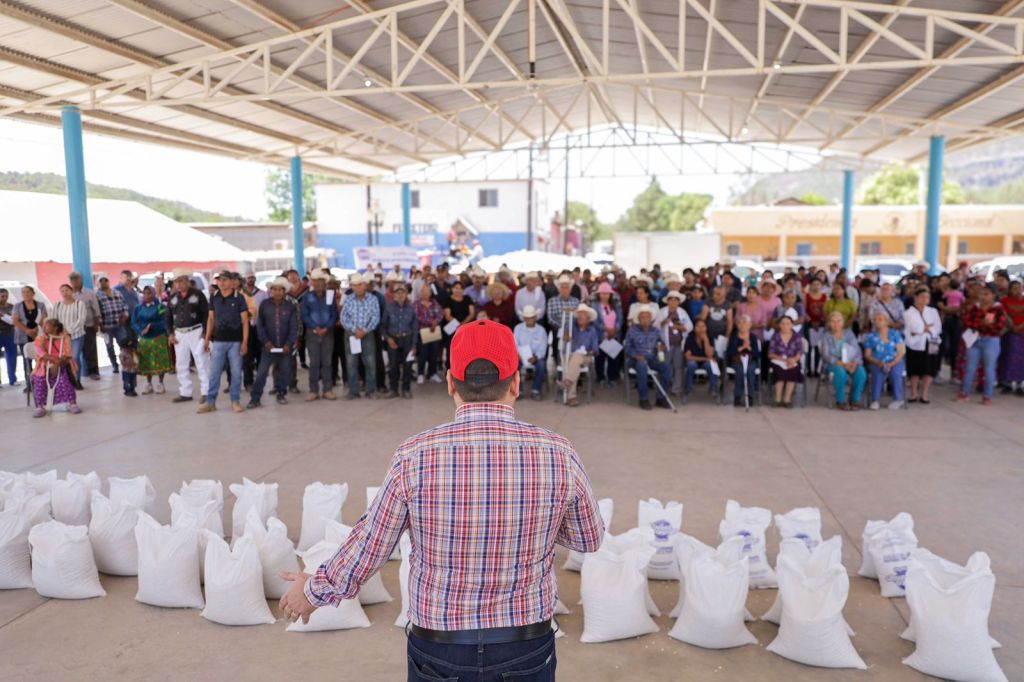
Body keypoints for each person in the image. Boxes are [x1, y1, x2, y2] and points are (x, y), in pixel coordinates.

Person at [279, 319, 603, 681]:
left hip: (441, 647)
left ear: (450, 383)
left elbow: (372, 544)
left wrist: (313, 591)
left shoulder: (415, 454)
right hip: (524, 643)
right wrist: (538, 519)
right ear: (516, 383)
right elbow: (588, 539)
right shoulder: (558, 452)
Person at [199, 271, 249, 414]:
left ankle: (235, 401)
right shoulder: (214, 297)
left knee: (236, 373)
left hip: (235, 341)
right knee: (214, 372)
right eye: (219, 280)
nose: (221, 283)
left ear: (232, 281)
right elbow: (210, 319)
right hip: (219, 340)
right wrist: (207, 339)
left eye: (225, 280)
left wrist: (245, 342)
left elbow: (245, 321)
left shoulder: (238, 298)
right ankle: (210, 402)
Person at [248, 277, 298, 409]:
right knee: (261, 372)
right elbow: (260, 326)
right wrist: (266, 342)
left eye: (280, 290)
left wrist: (289, 343)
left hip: (285, 346)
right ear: (271, 291)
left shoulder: (290, 306)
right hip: (268, 347)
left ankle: (281, 394)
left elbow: (294, 328)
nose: (277, 292)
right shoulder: (264, 305)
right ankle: (255, 398)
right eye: (274, 289)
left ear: (284, 291)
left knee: (285, 372)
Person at [166, 268, 210, 404]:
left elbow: (206, 315)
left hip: (196, 331)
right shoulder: (173, 298)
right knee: (181, 363)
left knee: (201, 362)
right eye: (176, 282)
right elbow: (167, 317)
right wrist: (170, 333)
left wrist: (205, 333)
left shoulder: (198, 295)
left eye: (180, 281)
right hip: (180, 333)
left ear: (187, 281)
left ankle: (206, 392)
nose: (178, 284)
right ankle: (185, 392)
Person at [958, 284, 1006, 405]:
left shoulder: (998, 309)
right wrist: (982, 324)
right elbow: (967, 321)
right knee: (970, 368)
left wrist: (983, 325)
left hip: (991, 340)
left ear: (993, 295)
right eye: (982, 294)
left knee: (989, 369)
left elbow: (999, 327)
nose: (983, 297)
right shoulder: (975, 308)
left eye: (986, 294)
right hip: (975, 340)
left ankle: (987, 396)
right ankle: (964, 393)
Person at [341, 273, 381, 400]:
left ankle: (371, 390)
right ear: (352, 287)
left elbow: (376, 317)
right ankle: (353, 391)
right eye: (354, 285)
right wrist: (354, 330)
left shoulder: (372, 299)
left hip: (367, 335)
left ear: (364, 286)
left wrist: (364, 330)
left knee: (370, 364)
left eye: (359, 285)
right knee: (351, 364)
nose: (357, 288)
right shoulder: (348, 299)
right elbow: (343, 318)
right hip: (351, 336)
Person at [301, 271, 339, 401]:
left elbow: (334, 315)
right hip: (312, 334)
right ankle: (313, 390)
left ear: (325, 283)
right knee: (314, 363)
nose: (317, 283)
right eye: (315, 281)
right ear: (312, 282)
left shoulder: (330, 296)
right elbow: (304, 315)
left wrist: (326, 328)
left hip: (328, 334)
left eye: (320, 281)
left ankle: (327, 390)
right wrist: (315, 327)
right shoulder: (307, 297)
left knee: (327, 362)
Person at [624, 304, 671, 410]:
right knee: (641, 366)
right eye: (642, 317)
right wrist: (636, 356)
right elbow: (627, 348)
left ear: (651, 319)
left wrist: (662, 347)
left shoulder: (655, 331)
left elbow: (661, 344)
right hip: (636, 359)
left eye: (647, 317)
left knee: (667, 368)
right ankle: (643, 399)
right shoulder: (632, 330)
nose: (645, 319)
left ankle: (661, 398)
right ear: (638, 319)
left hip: (652, 358)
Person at [31, 319, 81, 417]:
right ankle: (40, 406)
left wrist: (57, 364)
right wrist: (54, 360)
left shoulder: (65, 337)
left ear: (55, 328)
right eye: (44, 325)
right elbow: (40, 352)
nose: (44, 327)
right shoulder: (41, 338)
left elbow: (67, 353)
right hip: (45, 365)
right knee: (40, 381)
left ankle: (72, 403)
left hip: (62, 363)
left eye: (47, 325)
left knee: (63, 379)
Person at [819, 311, 866, 410]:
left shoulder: (849, 334)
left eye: (839, 321)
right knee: (840, 372)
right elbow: (826, 355)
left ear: (843, 322)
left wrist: (854, 363)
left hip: (850, 362)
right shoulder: (826, 336)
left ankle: (854, 400)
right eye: (833, 321)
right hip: (833, 363)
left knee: (861, 372)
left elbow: (857, 351)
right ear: (829, 323)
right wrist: (842, 364)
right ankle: (841, 400)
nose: (836, 324)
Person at [130, 286, 172, 395]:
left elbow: (165, 322)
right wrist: (141, 330)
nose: (147, 296)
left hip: (158, 338)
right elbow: (134, 322)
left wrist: (152, 326)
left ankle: (160, 383)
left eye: (149, 293)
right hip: (144, 339)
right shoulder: (138, 308)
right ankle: (148, 384)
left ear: (153, 294)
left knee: (159, 361)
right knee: (146, 361)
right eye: (145, 293)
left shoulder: (160, 307)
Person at [904, 287, 942, 404]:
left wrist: (923, 330)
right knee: (914, 368)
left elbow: (937, 327)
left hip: (931, 341)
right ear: (916, 298)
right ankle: (914, 392)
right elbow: (911, 329)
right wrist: (923, 329)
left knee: (929, 368)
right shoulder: (908, 313)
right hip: (915, 343)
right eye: (922, 297)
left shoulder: (933, 311)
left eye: (927, 297)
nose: (925, 299)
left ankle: (924, 393)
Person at [863, 311, 906, 410]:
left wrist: (892, 363)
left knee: (895, 373)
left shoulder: (895, 334)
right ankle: (875, 400)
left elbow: (901, 351)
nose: (877, 322)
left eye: (880, 320)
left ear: (887, 322)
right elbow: (867, 355)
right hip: (877, 362)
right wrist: (877, 362)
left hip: (895, 361)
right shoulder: (870, 336)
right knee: (877, 373)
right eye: (875, 320)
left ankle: (898, 399)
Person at [382, 284, 417, 399]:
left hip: (407, 339)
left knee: (407, 366)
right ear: (394, 295)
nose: (400, 295)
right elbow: (383, 326)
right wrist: (388, 338)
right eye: (397, 293)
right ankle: (393, 389)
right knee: (393, 366)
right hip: (393, 340)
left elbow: (415, 328)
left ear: (406, 294)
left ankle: (406, 389)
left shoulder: (411, 308)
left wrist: (414, 345)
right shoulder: (389, 307)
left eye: (402, 292)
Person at [560, 303, 598, 407]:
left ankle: (567, 381)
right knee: (574, 363)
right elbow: (564, 335)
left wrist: (589, 352)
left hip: (586, 357)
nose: (580, 316)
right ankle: (571, 397)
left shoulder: (592, 330)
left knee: (576, 357)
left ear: (589, 318)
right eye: (579, 314)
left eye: (583, 314)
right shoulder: (572, 326)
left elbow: (595, 349)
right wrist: (566, 335)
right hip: (571, 356)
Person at [656, 291, 693, 396]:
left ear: (678, 302)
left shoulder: (682, 312)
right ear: (667, 301)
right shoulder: (661, 312)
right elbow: (655, 327)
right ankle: (664, 388)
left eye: (675, 300)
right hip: (665, 344)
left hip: (678, 344)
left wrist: (680, 327)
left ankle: (676, 389)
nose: (673, 302)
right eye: (671, 299)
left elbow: (690, 326)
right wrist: (664, 322)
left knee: (678, 366)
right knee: (665, 366)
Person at [52, 283, 88, 388]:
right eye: (62, 291)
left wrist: (69, 330)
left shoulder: (79, 304)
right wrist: (59, 331)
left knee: (75, 357)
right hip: (62, 337)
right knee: (64, 359)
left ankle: (77, 380)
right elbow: (54, 320)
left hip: (76, 335)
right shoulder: (58, 305)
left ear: (71, 291)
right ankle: (68, 380)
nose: (65, 293)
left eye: (66, 290)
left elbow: (81, 319)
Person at [12, 285, 47, 390]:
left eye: (28, 292)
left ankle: (41, 381)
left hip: (38, 335)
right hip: (23, 336)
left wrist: (36, 330)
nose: (26, 294)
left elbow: (44, 318)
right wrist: (27, 330)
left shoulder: (40, 305)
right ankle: (29, 384)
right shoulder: (17, 306)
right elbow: (15, 320)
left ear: (33, 293)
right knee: (27, 360)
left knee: (40, 358)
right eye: (23, 292)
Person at [68, 271, 102, 380]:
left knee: (90, 350)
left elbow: (96, 310)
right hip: (74, 329)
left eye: (76, 279)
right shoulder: (69, 294)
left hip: (88, 326)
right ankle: (76, 374)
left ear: (81, 280)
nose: (74, 281)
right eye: (72, 279)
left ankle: (93, 372)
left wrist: (97, 324)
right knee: (75, 353)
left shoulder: (89, 293)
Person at [513, 305, 547, 400]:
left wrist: (536, 357)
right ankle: (519, 390)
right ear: (524, 318)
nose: (529, 319)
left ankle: (535, 390)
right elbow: (514, 344)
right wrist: (518, 355)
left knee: (541, 365)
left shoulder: (541, 330)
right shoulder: (518, 328)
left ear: (535, 317)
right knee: (514, 365)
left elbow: (543, 348)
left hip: (535, 357)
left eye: (531, 317)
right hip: (520, 356)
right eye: (527, 318)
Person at [768, 315, 803, 408]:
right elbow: (770, 354)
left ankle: (787, 399)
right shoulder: (775, 336)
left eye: (788, 324)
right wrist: (784, 359)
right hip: (778, 360)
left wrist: (793, 360)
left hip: (793, 361)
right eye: (782, 323)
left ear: (792, 325)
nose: (785, 326)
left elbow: (799, 352)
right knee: (779, 371)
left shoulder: (797, 337)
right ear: (779, 325)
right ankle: (778, 399)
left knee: (793, 370)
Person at [96, 276, 129, 374]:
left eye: (105, 280)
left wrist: (125, 316)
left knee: (123, 344)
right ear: (98, 283)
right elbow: (97, 311)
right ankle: (114, 365)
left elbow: (125, 305)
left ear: (108, 282)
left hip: (119, 325)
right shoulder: (97, 295)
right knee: (109, 346)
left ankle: (125, 363)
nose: (103, 282)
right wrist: (101, 324)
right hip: (106, 326)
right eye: (101, 281)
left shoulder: (117, 293)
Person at [592, 282, 622, 387]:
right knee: (599, 358)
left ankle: (612, 378)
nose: (604, 296)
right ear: (599, 294)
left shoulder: (615, 306)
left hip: (614, 336)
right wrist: (605, 329)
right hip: (601, 336)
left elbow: (620, 319)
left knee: (613, 359)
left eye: (607, 294)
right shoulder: (595, 306)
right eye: (602, 293)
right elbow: (595, 321)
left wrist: (615, 329)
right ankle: (600, 377)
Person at [726, 314, 760, 407]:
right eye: (740, 323)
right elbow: (729, 352)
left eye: (745, 323)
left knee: (750, 371)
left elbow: (757, 353)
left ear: (749, 325)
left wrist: (748, 347)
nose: (742, 325)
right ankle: (737, 397)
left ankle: (750, 396)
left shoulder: (753, 337)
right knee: (740, 371)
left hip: (750, 360)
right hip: (736, 360)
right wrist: (741, 348)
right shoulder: (733, 336)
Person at [413, 282, 443, 385]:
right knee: (422, 354)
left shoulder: (434, 302)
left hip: (434, 332)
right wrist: (430, 322)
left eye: (428, 291)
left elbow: (440, 313)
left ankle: (433, 373)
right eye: (424, 291)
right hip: (422, 332)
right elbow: (417, 317)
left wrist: (436, 321)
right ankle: (421, 374)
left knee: (433, 354)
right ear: (420, 292)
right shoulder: (416, 304)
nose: (426, 293)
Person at [546, 275, 580, 365]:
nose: (565, 290)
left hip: (574, 330)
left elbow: (578, 317)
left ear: (570, 289)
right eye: (562, 287)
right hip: (558, 329)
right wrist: (563, 329)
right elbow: (550, 318)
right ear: (559, 289)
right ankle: (559, 366)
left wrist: (570, 329)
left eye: (567, 287)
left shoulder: (575, 301)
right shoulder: (552, 301)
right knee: (559, 346)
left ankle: (574, 366)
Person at [683, 317, 719, 401]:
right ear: (694, 328)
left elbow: (710, 356)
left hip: (705, 362)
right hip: (695, 361)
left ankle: (713, 387)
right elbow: (688, 356)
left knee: (711, 365)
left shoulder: (710, 338)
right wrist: (704, 359)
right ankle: (688, 388)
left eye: (703, 326)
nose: (701, 329)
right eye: (698, 326)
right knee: (691, 364)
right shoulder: (690, 338)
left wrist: (706, 340)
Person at [442, 281, 475, 371]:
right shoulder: (448, 300)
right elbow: (447, 315)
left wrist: (463, 324)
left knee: (466, 350)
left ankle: (463, 370)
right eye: (456, 288)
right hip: (453, 329)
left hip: (466, 328)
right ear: (452, 289)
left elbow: (471, 313)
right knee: (451, 350)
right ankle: (450, 370)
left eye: (460, 288)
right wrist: (458, 325)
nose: (458, 290)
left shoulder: (467, 298)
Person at [999, 280, 1024, 395]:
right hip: (1009, 333)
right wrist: (1012, 325)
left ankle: (1019, 384)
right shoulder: (1004, 301)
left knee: (1021, 359)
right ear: (1009, 289)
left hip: (1022, 333)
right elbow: (1003, 314)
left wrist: (1020, 326)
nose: (1017, 290)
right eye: (1014, 288)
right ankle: (1007, 384)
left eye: (1019, 288)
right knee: (1007, 357)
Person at [0, 289, 15, 386]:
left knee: (11, 358)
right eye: (2, 296)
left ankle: (12, 380)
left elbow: (14, 320)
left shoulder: (12, 306)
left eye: (6, 296)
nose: (4, 298)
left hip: (10, 334)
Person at [119, 332, 139, 398]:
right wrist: (130, 364)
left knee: (133, 381)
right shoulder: (122, 354)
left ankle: (132, 389)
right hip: (126, 371)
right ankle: (127, 390)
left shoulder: (133, 351)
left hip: (133, 370)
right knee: (127, 381)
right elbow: (123, 362)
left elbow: (136, 357)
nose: (129, 349)